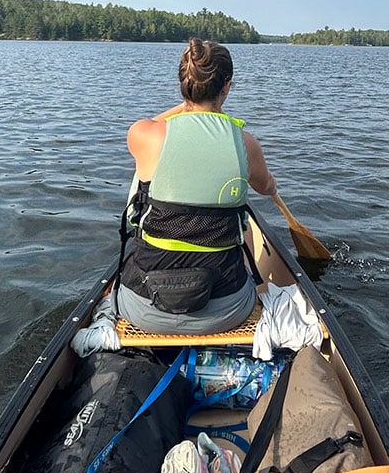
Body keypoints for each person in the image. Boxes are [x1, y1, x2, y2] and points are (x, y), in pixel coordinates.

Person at [116, 37, 277, 335]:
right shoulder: (246, 143)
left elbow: (152, 121)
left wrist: (187, 103)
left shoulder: (143, 135)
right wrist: (271, 187)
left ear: (184, 83)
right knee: (244, 221)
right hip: (227, 310)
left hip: (144, 308)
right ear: (226, 85)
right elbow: (266, 186)